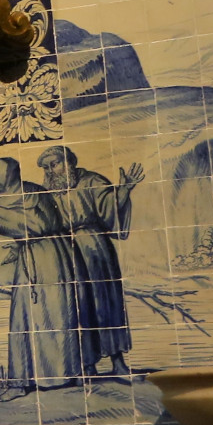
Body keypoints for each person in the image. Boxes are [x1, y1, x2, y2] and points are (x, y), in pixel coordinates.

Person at [0, 157, 86, 400]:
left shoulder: (3, 204)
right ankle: (50, 378)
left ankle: (22, 384)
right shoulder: (24, 195)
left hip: (48, 259)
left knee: (36, 318)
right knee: (52, 316)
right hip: (60, 256)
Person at [42, 146, 142, 375]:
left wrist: (124, 190)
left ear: (69, 162)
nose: (51, 171)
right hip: (66, 253)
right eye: (46, 168)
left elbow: (110, 209)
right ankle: (87, 366)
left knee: (106, 302)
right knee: (77, 307)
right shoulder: (47, 193)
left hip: (95, 249)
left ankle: (118, 363)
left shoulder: (92, 181)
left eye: (54, 164)